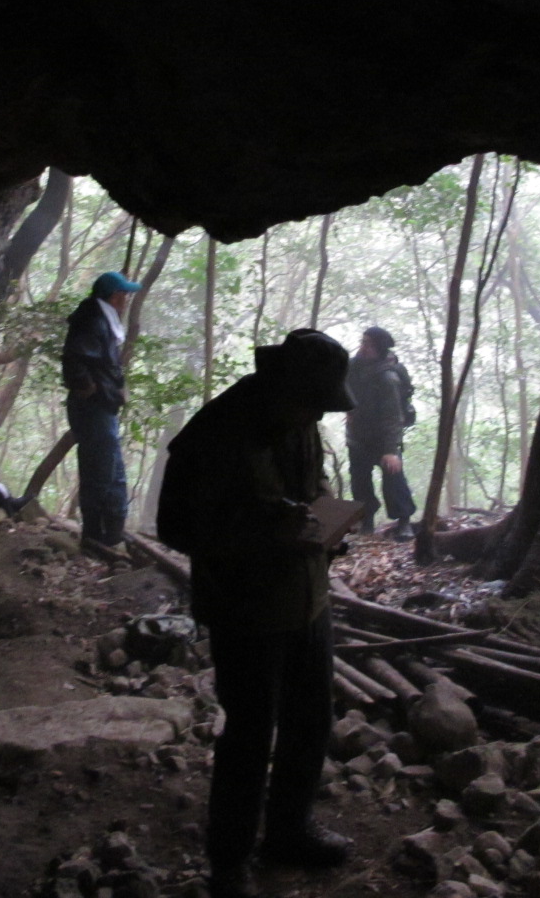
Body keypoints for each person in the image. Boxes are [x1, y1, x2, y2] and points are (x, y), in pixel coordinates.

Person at [157, 330, 357, 898]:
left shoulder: (299, 419)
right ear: (283, 387)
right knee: (248, 733)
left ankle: (290, 831)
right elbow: (177, 528)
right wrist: (270, 533)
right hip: (244, 607)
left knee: (310, 720)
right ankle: (229, 861)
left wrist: (327, 525)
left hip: (307, 598)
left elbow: (310, 484)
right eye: (314, 401)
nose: (319, 413)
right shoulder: (217, 434)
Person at [62, 270, 142, 546]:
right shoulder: (92, 320)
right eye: (125, 294)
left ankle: (113, 534)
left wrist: (116, 386)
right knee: (100, 471)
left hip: (104, 407)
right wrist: (89, 388)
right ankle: (95, 536)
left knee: (113, 471)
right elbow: (75, 360)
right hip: (93, 408)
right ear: (114, 296)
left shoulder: (104, 319)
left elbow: (105, 363)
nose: (127, 299)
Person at [345, 325, 417, 538]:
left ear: (379, 348)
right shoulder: (353, 366)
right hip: (358, 435)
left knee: (393, 478)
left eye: (368, 344)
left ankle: (404, 521)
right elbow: (341, 386)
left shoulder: (388, 378)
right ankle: (366, 521)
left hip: (383, 438)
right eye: (363, 342)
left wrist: (391, 451)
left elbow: (393, 416)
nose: (363, 347)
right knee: (359, 480)